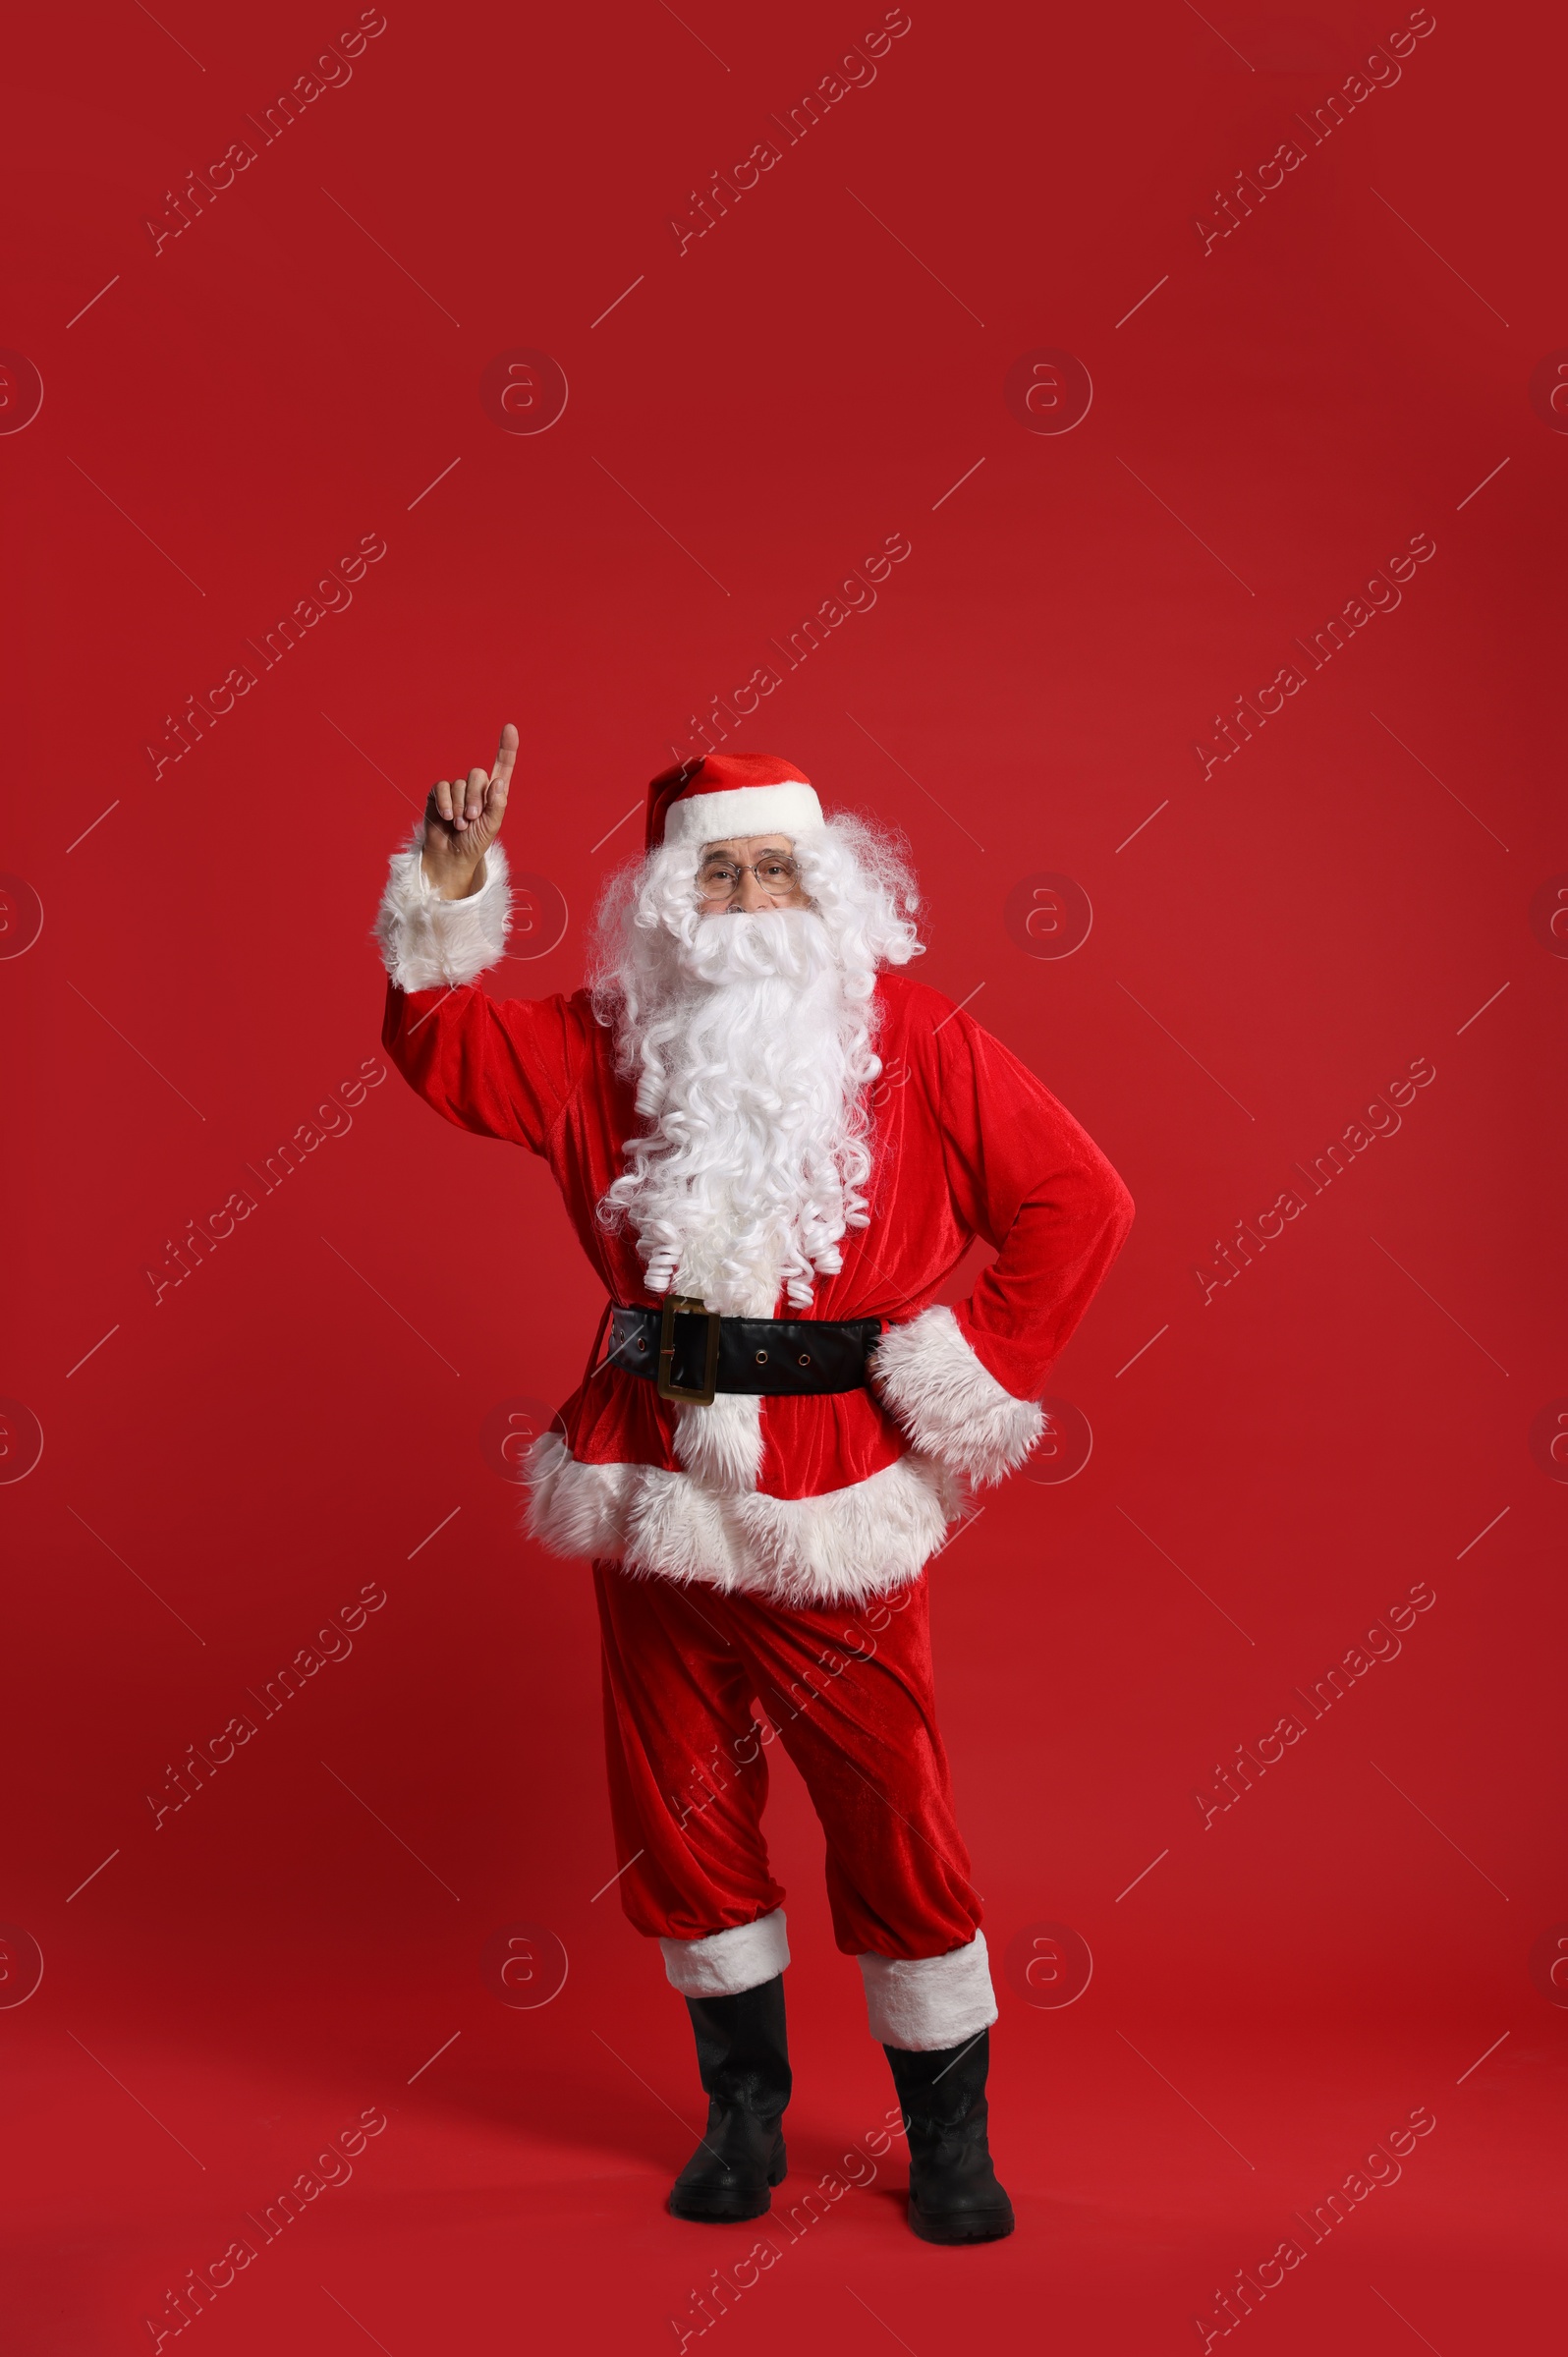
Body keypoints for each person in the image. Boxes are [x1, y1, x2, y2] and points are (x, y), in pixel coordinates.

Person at [371, 725, 1134, 2243]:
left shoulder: (915, 1037)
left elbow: (1079, 1199)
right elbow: (448, 1052)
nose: (748, 893)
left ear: (831, 886)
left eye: (776, 865)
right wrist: (444, 903)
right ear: (666, 901)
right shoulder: (606, 1040)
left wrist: (959, 1372)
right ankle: (743, 2115)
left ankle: (950, 2138)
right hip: (650, 1466)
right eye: (716, 871)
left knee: (891, 1806)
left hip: (834, 1487)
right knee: (676, 1803)